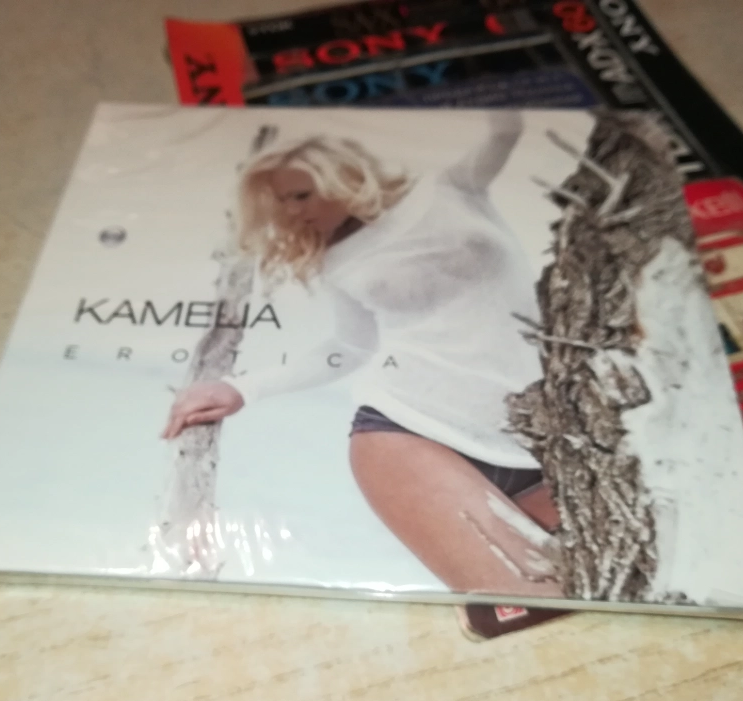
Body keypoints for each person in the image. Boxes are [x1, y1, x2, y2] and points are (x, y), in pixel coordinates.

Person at [162, 111, 563, 598]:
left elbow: (506, 130)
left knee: (598, 580)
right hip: (411, 430)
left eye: (300, 194)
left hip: (548, 431)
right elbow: (350, 346)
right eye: (281, 203)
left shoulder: (450, 189)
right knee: (533, 599)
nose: (292, 212)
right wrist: (242, 387)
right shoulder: (336, 260)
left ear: (340, 176)